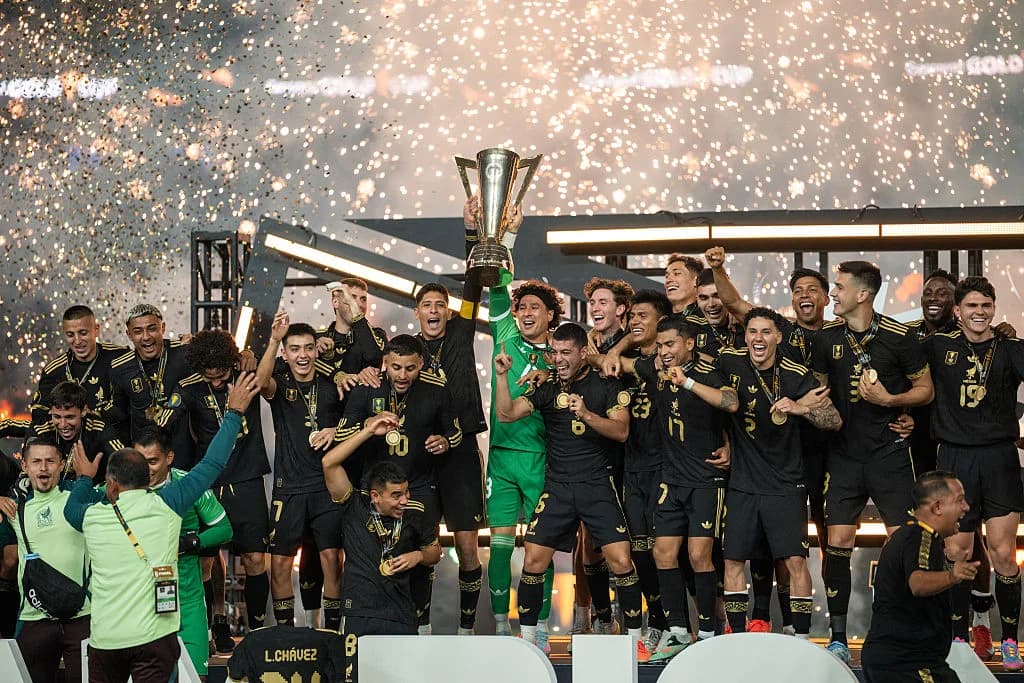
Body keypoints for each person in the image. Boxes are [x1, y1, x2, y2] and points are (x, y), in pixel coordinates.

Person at [63, 372, 258, 683]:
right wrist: (233, 413)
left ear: (112, 485)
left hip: (106, 641)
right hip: (154, 637)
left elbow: (71, 510)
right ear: (146, 478)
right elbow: (212, 464)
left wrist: (85, 478)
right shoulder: (168, 504)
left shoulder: (94, 514)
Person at [494, 323, 647, 656]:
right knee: (533, 559)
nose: (559, 359)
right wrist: (503, 377)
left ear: (583, 353)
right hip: (559, 486)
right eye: (555, 352)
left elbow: (621, 432)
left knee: (621, 560)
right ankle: (532, 639)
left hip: (597, 484)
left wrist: (587, 414)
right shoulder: (546, 387)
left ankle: (635, 640)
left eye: (566, 353)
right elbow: (506, 414)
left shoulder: (607, 385)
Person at [810, 261, 934, 664]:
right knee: (838, 542)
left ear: (863, 294)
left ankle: (893, 631)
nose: (833, 294)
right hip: (843, 457)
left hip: (890, 457)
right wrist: (811, 408)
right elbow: (818, 391)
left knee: (901, 544)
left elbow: (926, 390)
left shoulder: (901, 336)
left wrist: (892, 402)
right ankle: (839, 637)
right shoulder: (826, 338)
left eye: (839, 287)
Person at [612, 314, 734, 661]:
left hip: (706, 480)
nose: (664, 352)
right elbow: (613, 362)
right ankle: (679, 631)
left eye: (670, 345)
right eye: (661, 345)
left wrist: (688, 383)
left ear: (689, 344)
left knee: (699, 556)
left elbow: (732, 403)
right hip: (671, 479)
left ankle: (709, 632)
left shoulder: (709, 372)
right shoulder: (655, 370)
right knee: (662, 553)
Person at [717, 308, 842, 643]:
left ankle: (801, 640)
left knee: (795, 562)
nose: (758, 339)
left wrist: (801, 408)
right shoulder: (729, 363)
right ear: (745, 336)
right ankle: (737, 639)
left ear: (778, 337)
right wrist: (726, 442)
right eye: (752, 332)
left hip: (786, 483)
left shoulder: (795, 373)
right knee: (733, 561)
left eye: (766, 332)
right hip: (742, 483)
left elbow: (834, 419)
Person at [922, 276, 1024, 670]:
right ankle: (958, 639)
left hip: (998, 460)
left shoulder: (1011, 348)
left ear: (994, 308)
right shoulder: (936, 346)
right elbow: (909, 380)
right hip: (955, 460)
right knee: (957, 552)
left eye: (986, 305)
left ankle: (1011, 640)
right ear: (958, 311)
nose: (979, 312)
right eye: (972, 306)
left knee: (1002, 553)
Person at [335, 334, 461, 634]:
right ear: (384, 363)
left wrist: (444, 442)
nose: (402, 375)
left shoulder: (437, 389)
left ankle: (422, 625)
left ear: (421, 365)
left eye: (410, 368)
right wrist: (368, 425)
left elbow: (455, 433)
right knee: (369, 558)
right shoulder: (367, 387)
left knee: (423, 558)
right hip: (374, 489)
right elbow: (342, 434)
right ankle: (360, 624)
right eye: (395, 367)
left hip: (419, 487)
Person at [157, 329, 272, 641]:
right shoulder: (190, 387)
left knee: (255, 559)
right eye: (210, 376)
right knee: (207, 561)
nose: (217, 381)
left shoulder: (246, 374)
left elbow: (268, 373)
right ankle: (216, 623)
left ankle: (258, 633)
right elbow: (163, 423)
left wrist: (254, 351)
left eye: (221, 375)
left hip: (247, 478)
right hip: (210, 481)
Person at [323, 432, 442, 682]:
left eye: (406, 492)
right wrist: (368, 430)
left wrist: (417, 556)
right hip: (359, 614)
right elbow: (329, 463)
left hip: (401, 615)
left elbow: (435, 552)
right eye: (396, 495)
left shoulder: (416, 512)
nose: (404, 500)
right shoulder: (354, 506)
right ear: (375, 496)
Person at [256, 314, 345, 631]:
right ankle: (285, 634)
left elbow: (354, 419)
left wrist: (336, 430)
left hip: (326, 488)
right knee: (279, 563)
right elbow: (260, 380)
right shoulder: (280, 383)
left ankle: (330, 631)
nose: (303, 355)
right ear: (286, 353)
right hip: (288, 487)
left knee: (332, 559)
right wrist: (273, 340)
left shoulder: (333, 385)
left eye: (308, 348)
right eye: (294, 349)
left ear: (316, 351)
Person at [412, 283, 488, 635]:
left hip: (461, 456)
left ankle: (467, 629)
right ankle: (422, 628)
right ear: (417, 312)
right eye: (426, 305)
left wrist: (473, 231)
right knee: (423, 545)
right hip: (424, 455)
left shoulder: (461, 331)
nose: (433, 311)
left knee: (467, 547)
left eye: (440, 305)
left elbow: (473, 290)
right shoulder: (409, 350)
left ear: (448, 311)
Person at [135, 425, 233, 678]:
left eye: (153, 461)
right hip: (140, 605)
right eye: (139, 460)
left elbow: (225, 529)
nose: (145, 468)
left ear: (169, 457)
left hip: (188, 602)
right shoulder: (122, 487)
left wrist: (190, 543)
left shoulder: (188, 483)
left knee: (196, 676)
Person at [861, 471, 976, 683]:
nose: (966, 507)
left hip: (901, 660)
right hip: (908, 663)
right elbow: (918, 583)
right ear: (937, 507)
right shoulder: (920, 536)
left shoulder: (912, 536)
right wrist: (952, 576)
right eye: (960, 500)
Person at [0, 439, 90, 683]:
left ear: (62, 465)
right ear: (25, 467)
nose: (43, 468)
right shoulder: (12, 509)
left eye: (50, 461)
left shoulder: (81, 497)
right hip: (34, 619)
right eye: (36, 462)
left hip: (82, 617)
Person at [109, 304, 196, 467]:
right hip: (144, 460)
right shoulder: (119, 367)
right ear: (129, 335)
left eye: (152, 328)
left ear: (162, 328)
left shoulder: (185, 353)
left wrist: (246, 354)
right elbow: (119, 416)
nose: (146, 336)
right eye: (138, 331)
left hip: (185, 457)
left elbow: (220, 359)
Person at [30, 305, 125, 432]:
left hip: (116, 437)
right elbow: (39, 415)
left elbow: (127, 406)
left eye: (83, 333)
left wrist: (89, 416)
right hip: (68, 441)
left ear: (96, 330)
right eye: (70, 335)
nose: (77, 341)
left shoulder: (120, 357)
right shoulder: (54, 370)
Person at [38, 380, 125, 482]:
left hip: (92, 493)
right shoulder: (43, 429)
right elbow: (29, 467)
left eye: (69, 417)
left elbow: (125, 463)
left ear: (84, 411)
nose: (63, 424)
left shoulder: (99, 429)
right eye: (57, 417)